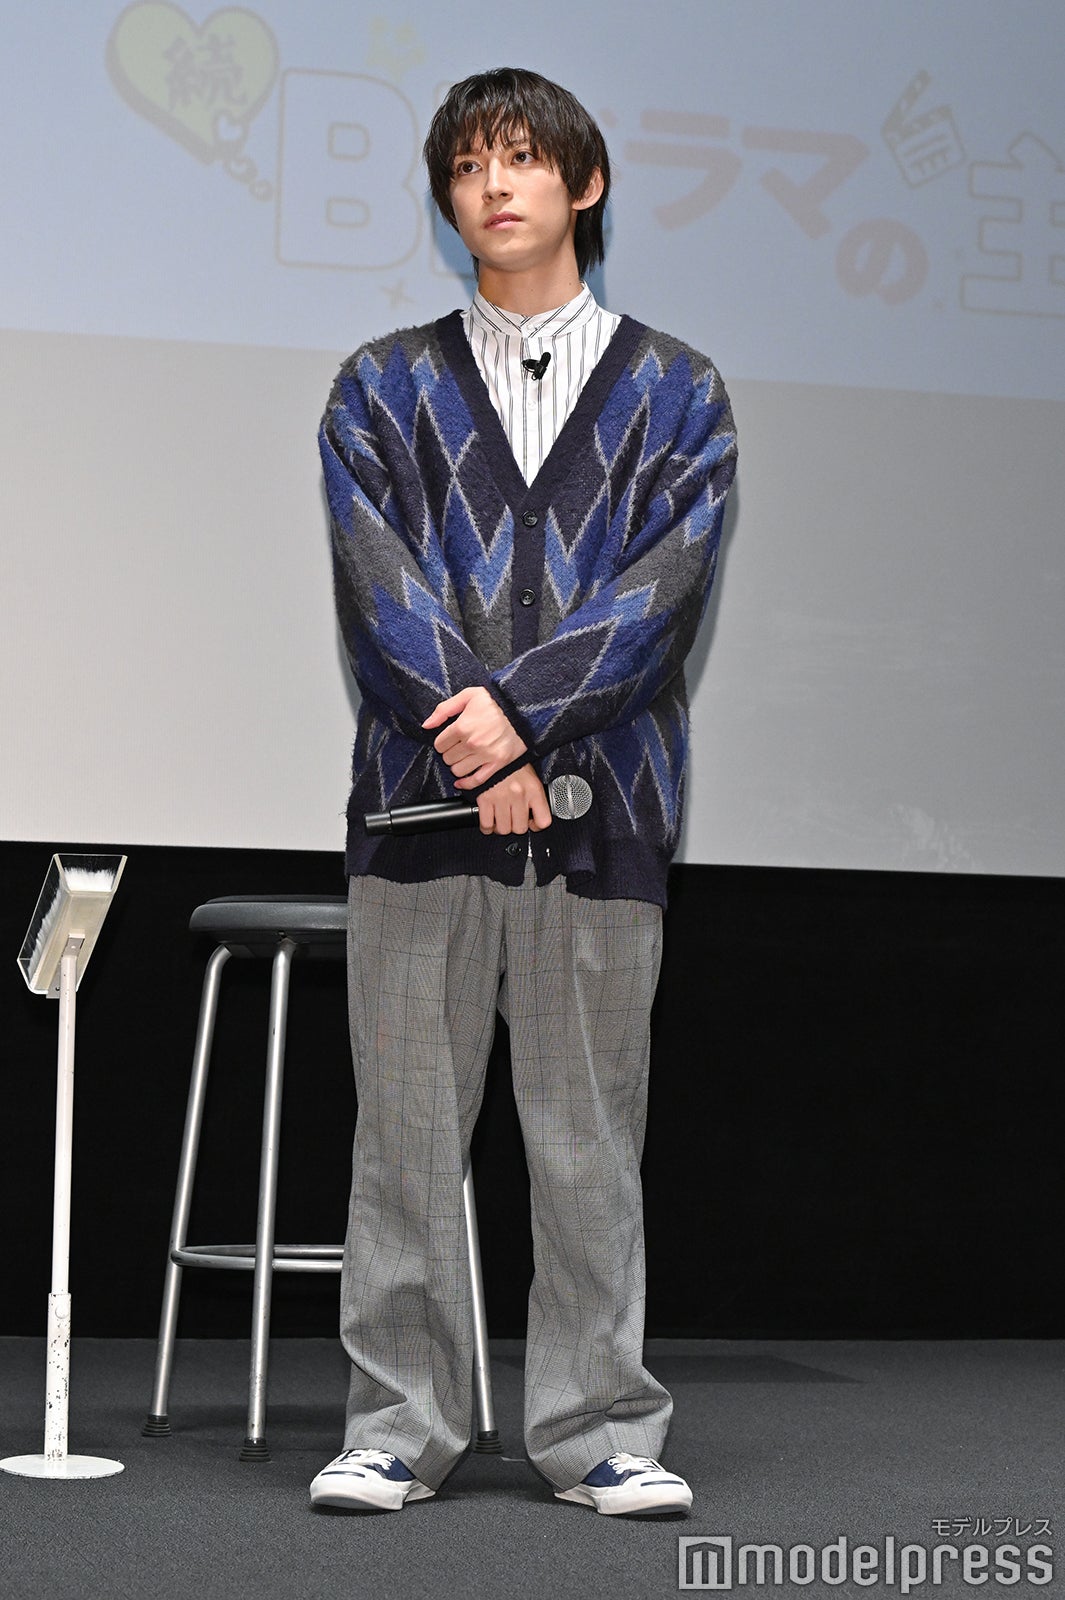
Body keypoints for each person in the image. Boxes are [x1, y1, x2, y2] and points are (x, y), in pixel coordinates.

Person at [309, 65, 737, 1517]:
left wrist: (526, 731)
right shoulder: (378, 385)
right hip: (418, 816)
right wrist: (479, 743)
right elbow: (378, 587)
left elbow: (659, 597)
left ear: (584, 184)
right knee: (405, 1134)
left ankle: (599, 1429)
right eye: (466, 166)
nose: (493, 185)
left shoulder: (679, 391)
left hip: (603, 817)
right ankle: (396, 1426)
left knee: (587, 1140)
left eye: (522, 159)